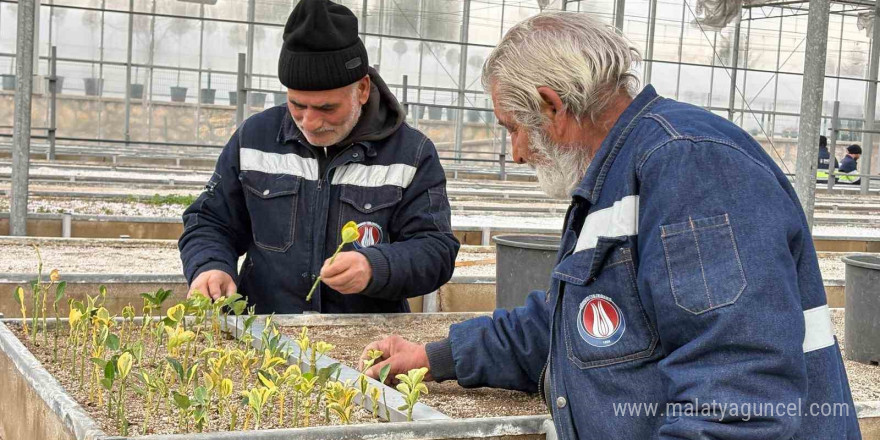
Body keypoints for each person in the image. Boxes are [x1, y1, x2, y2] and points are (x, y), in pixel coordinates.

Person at [361, 12, 861, 439]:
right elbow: (571, 325)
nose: (514, 152)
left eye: (512, 127)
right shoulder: (620, 175)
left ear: (552, 105)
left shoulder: (690, 168)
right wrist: (434, 357)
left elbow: (736, 393)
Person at [178, 0, 459, 314]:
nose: (309, 122)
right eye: (297, 105)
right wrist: (210, 265)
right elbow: (211, 221)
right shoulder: (254, 138)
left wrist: (375, 266)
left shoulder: (411, 154)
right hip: (264, 332)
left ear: (362, 89)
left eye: (327, 108)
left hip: (365, 341)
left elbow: (436, 250)